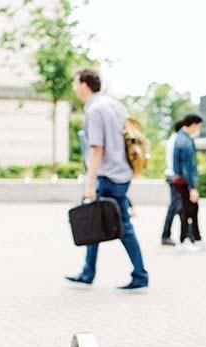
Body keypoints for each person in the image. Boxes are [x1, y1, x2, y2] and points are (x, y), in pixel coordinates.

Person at [65, 68, 149, 292]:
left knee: (123, 226)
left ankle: (140, 274)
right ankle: (87, 271)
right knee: (94, 219)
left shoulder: (94, 109)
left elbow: (97, 149)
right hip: (122, 173)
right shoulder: (114, 105)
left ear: (84, 85)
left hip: (108, 175)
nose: (75, 88)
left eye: (76, 84)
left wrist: (89, 186)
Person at [172, 113, 203, 250]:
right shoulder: (185, 141)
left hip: (181, 181)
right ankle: (185, 240)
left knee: (189, 210)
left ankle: (193, 238)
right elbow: (187, 167)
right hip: (185, 183)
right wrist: (192, 187)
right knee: (187, 210)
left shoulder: (179, 138)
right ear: (193, 124)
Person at [161, 120, 184, 246]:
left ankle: (187, 233)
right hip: (175, 177)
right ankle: (165, 235)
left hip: (171, 176)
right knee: (174, 206)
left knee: (180, 206)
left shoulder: (172, 139)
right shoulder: (177, 140)